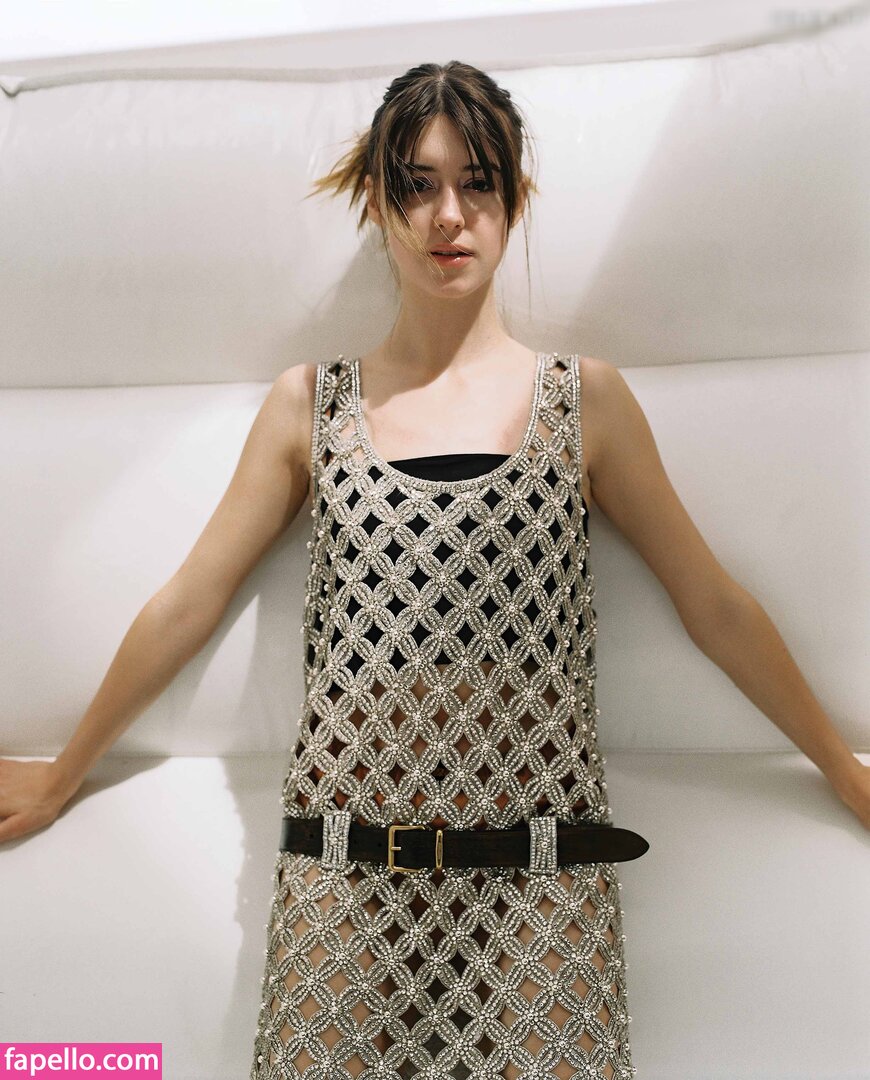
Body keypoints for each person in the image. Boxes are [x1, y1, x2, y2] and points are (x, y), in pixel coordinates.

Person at [0, 60, 867, 1080]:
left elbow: (712, 605)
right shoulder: (310, 406)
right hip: (345, 867)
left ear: (514, 199)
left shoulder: (583, 401)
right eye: (416, 185)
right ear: (377, 202)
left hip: (542, 871)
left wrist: (844, 769)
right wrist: (62, 776)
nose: (448, 215)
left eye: (477, 183)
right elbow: (189, 601)